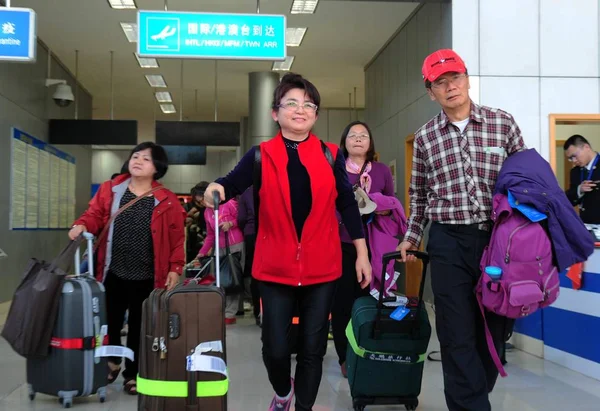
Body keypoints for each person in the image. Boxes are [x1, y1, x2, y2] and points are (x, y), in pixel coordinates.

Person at [203, 73, 372, 411]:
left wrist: (361, 253)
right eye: (291, 103)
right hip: (274, 266)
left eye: (308, 104)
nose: (300, 109)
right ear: (274, 113)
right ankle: (283, 392)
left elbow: (347, 204)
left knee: (313, 349)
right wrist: (215, 189)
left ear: (316, 115)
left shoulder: (329, 154)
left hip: (323, 267)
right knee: (275, 349)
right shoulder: (260, 156)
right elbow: (229, 183)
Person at [396, 49, 526, 411]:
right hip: (448, 242)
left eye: (455, 77)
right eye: (441, 82)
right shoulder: (424, 138)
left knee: (496, 329)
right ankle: (471, 406)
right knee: (455, 333)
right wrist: (411, 236)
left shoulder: (503, 124)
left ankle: (473, 395)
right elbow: (418, 195)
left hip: (497, 242)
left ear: (467, 79)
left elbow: (527, 180)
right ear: (430, 91)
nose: (450, 86)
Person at [69, 142, 185, 395]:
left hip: (147, 273)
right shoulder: (111, 189)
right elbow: (94, 214)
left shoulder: (167, 200)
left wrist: (175, 268)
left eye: (146, 159)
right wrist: (81, 225)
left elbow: (177, 238)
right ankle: (111, 363)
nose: (138, 161)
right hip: (112, 269)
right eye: (136, 156)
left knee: (140, 325)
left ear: (157, 168)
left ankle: (134, 373)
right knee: (108, 320)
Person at [331, 121, 396, 378]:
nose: (358, 139)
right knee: (342, 303)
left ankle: (369, 350)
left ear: (370, 143)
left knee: (370, 300)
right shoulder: (334, 169)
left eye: (363, 135)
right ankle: (344, 356)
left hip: (374, 245)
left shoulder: (380, 171)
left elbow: (392, 205)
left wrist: (374, 203)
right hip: (341, 243)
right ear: (344, 141)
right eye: (353, 135)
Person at [197, 196, 244, 325]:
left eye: (202, 199)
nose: (202, 202)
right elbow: (210, 235)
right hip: (219, 248)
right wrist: (202, 252)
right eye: (199, 201)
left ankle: (230, 313)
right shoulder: (207, 212)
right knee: (222, 280)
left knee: (233, 279)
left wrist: (230, 224)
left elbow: (242, 219)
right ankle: (223, 310)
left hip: (235, 246)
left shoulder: (230, 204)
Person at [564, 134, 600, 224]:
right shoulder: (575, 172)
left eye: (574, 155)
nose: (574, 160)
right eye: (570, 158)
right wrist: (579, 190)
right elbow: (569, 200)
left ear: (586, 147)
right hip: (585, 224)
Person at [238, 186, 261, 325]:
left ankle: (257, 311)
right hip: (271, 233)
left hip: (251, 234)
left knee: (255, 272)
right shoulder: (272, 185)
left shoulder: (246, 192)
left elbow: (241, 218)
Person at [185, 182, 209, 263]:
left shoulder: (212, 208)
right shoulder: (191, 207)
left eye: (202, 199)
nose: (201, 202)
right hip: (196, 244)